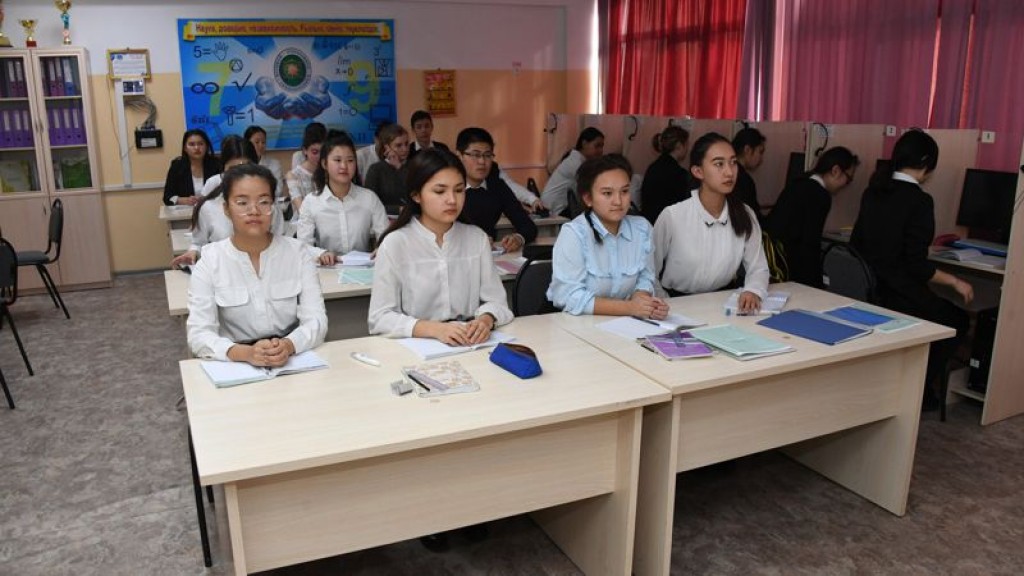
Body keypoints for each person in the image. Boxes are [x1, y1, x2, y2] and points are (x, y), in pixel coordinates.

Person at [850, 129, 972, 411]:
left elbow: (858, 244)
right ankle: (920, 390)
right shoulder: (919, 200)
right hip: (898, 294)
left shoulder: (874, 191)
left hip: (870, 290)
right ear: (927, 164)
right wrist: (955, 282)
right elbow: (917, 266)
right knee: (957, 321)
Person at [186, 163, 327, 365]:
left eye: (263, 202)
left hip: (292, 358)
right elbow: (198, 334)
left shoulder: (297, 254)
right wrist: (245, 353)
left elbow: (317, 320)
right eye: (242, 203)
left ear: (273, 206)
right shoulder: (210, 261)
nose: (254, 211)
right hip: (236, 362)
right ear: (226, 208)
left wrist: (288, 345)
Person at [368, 149, 513, 343]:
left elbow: (498, 302)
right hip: (418, 347)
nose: (452, 200)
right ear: (416, 195)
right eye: (440, 191)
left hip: (469, 343)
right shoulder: (395, 244)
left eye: (459, 190)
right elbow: (380, 318)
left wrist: (486, 320)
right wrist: (433, 329)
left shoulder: (476, 238)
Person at [654, 132, 769, 313]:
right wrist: (664, 302)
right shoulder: (673, 216)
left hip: (723, 304)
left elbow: (758, 267)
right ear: (698, 171)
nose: (729, 172)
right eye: (719, 164)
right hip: (675, 305)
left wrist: (753, 290)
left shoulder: (744, 213)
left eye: (733, 162)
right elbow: (648, 271)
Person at [548, 154, 668, 318]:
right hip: (578, 325)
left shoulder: (642, 228)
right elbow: (568, 296)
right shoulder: (574, 233)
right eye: (607, 193)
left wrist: (643, 300)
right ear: (588, 198)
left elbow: (646, 277)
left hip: (625, 324)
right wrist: (629, 308)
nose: (618, 201)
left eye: (624, 191)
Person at [171, 136, 287, 268]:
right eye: (233, 170)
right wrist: (193, 252)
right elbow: (198, 242)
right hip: (223, 273)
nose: (240, 176)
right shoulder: (209, 207)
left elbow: (279, 242)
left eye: (247, 168)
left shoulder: (268, 206)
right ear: (223, 170)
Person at [765, 147, 859, 288]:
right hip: (791, 267)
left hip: (773, 262)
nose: (846, 185)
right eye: (848, 179)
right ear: (835, 171)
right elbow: (809, 244)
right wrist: (816, 284)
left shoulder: (798, 182)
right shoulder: (819, 195)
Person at [297, 133, 389, 266]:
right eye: (337, 160)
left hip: (364, 270)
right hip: (326, 271)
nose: (344, 166)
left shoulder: (369, 198)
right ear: (324, 163)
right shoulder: (311, 202)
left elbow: (386, 237)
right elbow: (303, 245)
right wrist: (320, 254)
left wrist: (382, 248)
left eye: (350, 160)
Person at [455, 127, 537, 253]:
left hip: (489, 258)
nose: (482, 161)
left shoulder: (497, 186)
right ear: (460, 156)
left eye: (487, 155)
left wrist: (518, 238)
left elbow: (528, 226)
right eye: (476, 155)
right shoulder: (449, 189)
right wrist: (473, 241)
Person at [541, 127, 605, 217]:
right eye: (597, 146)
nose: (601, 151)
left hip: (555, 206)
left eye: (602, 146)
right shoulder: (575, 163)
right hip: (554, 209)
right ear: (584, 143)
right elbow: (588, 189)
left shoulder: (578, 160)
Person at [640, 126, 692, 224]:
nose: (687, 149)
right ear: (679, 145)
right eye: (686, 145)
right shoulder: (678, 173)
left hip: (649, 223)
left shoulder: (653, 167)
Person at [162, 129, 220, 206]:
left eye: (200, 144)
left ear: (206, 146)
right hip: (185, 214)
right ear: (185, 148)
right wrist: (182, 200)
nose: (196, 148)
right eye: (192, 144)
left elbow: (224, 194)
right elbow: (167, 197)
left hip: (211, 212)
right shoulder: (177, 167)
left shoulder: (217, 165)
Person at [364, 123, 411, 214]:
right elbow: (370, 204)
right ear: (387, 147)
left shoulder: (414, 165)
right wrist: (398, 209)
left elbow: (415, 194)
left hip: (412, 219)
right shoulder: (375, 170)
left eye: (406, 144)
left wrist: (399, 167)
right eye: (398, 145)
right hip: (385, 220)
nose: (405, 149)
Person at [285, 123, 327, 213]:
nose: (319, 156)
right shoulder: (293, 176)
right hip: (305, 223)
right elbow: (301, 210)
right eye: (315, 152)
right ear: (305, 150)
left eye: (323, 151)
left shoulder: (329, 171)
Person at [731, 127, 766, 220]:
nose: (761, 159)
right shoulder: (744, 180)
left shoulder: (726, 171)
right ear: (747, 150)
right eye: (760, 152)